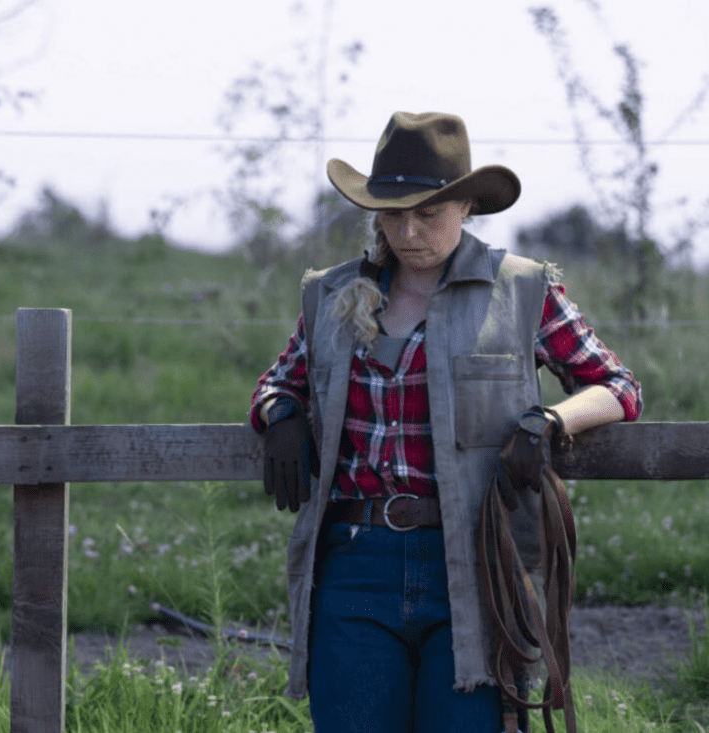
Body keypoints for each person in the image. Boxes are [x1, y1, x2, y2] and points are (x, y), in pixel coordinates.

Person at [249, 111, 642, 733]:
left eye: (427, 213)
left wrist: (549, 422)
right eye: (392, 214)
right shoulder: (332, 295)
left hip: (477, 563)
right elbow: (277, 383)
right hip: (354, 561)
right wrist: (281, 414)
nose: (408, 231)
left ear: (465, 207)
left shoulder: (522, 290)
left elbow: (616, 387)